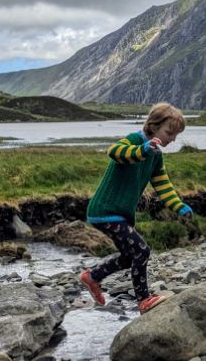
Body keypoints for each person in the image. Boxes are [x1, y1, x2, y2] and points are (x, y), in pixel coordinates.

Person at [79, 102, 193, 313]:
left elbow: (163, 185)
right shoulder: (135, 140)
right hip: (105, 211)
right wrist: (142, 150)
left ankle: (92, 277)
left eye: (176, 135)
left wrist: (178, 205)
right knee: (142, 251)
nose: (172, 139)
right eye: (169, 133)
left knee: (129, 256)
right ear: (153, 126)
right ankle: (143, 300)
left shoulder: (156, 156)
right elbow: (114, 152)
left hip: (120, 215)